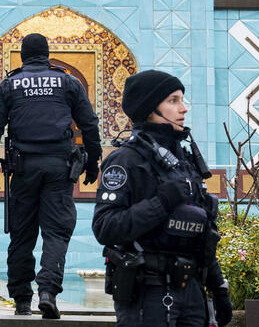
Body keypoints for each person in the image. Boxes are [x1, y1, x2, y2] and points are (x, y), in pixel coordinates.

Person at [92, 70, 232, 327]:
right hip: (149, 292)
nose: (183, 108)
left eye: (182, 99)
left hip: (191, 290)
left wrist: (218, 285)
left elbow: (204, 232)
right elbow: (106, 227)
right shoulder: (126, 160)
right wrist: (161, 202)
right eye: (173, 100)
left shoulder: (183, 159)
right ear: (149, 108)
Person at [0, 33, 102, 319]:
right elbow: (89, 125)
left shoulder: (9, 84)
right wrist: (93, 163)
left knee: (22, 233)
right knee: (56, 231)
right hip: (60, 168)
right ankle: (48, 292)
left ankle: (22, 299)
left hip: (23, 169)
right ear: (47, 56)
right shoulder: (68, 81)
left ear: (22, 56)